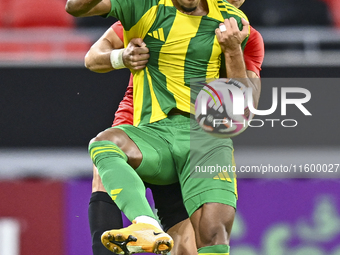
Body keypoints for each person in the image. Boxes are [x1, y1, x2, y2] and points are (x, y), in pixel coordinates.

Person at [66, 0, 262, 254]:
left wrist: (233, 50)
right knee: (105, 169)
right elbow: (92, 56)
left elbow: (240, 112)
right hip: (141, 123)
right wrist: (121, 57)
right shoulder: (148, 10)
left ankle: (151, 229)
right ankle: (142, 225)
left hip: (198, 137)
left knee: (191, 242)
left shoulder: (242, 31)